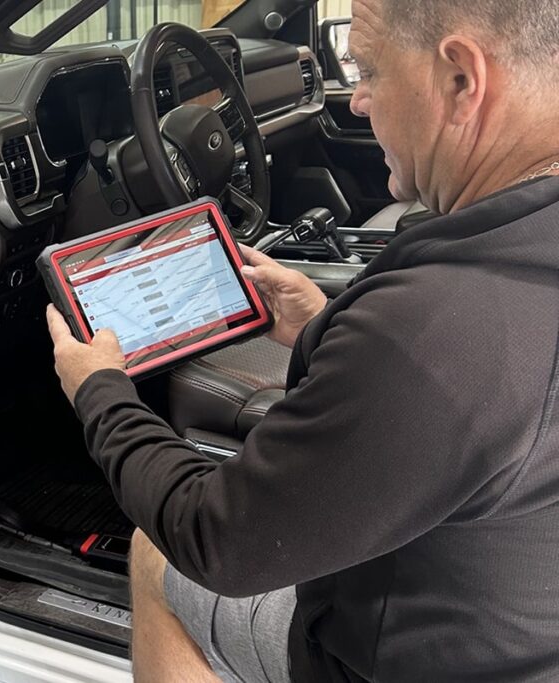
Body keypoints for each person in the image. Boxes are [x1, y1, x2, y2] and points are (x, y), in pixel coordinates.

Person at [46, 0, 559, 680]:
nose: (359, 101)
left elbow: (217, 541)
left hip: (399, 660)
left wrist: (101, 393)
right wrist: (326, 320)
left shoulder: (429, 329)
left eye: (369, 71)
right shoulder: (494, 278)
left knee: (155, 554)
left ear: (463, 79)